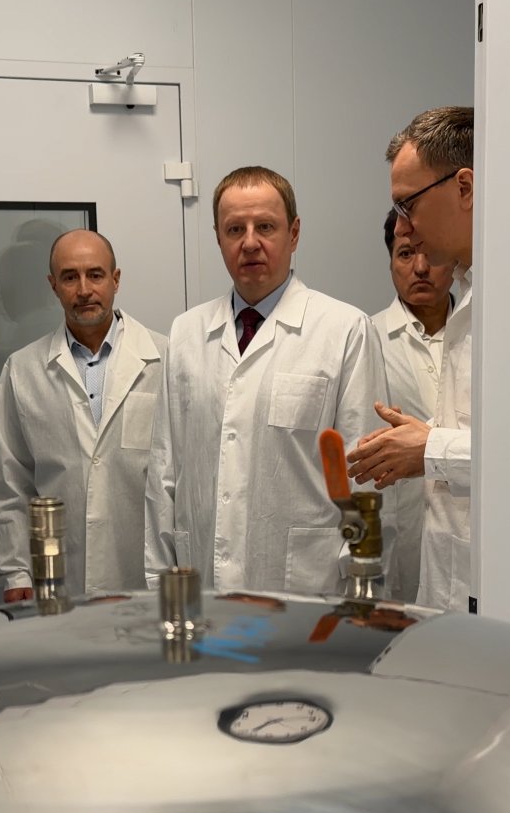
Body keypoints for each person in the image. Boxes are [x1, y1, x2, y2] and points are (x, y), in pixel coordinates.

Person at [146, 167, 385, 593]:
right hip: (202, 583)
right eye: (235, 229)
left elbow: (362, 479)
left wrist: (360, 595)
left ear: (294, 234)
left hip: (308, 590)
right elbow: (164, 471)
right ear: (218, 237)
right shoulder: (186, 333)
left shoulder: (345, 330)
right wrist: (159, 584)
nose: (250, 242)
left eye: (266, 227)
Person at [0, 229, 168, 600]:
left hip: (150, 571)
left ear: (116, 279)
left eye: (95, 274)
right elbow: (9, 483)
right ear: (53, 286)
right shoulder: (23, 370)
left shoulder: (166, 357)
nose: (84, 289)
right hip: (60, 573)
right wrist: (16, 574)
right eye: (70, 277)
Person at [349, 106, 475, 611]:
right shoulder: (470, 295)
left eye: (409, 203)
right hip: (438, 579)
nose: (405, 225)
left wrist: (430, 447)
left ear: (464, 187)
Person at [370, 210, 457, 602]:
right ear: (390, 262)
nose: (420, 268)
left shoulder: (483, 334)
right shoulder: (366, 337)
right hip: (396, 529)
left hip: (467, 522)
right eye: (405, 254)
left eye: (431, 253)